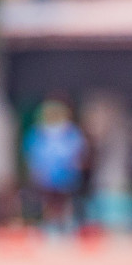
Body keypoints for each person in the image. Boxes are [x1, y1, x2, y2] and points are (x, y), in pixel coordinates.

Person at [23, 100, 87, 234]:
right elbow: (33, 154)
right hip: (46, 176)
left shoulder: (71, 132)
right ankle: (51, 226)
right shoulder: (38, 133)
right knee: (49, 202)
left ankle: (66, 227)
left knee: (64, 202)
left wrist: (74, 167)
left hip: (66, 175)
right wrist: (37, 171)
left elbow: (78, 152)